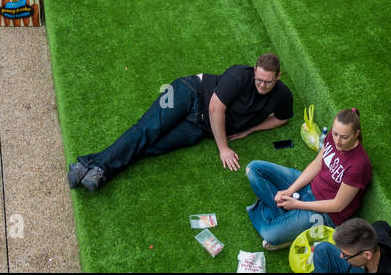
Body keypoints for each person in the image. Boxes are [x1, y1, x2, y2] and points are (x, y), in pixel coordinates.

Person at [66, 55, 293, 192]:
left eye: (268, 82)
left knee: (153, 145)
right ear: (254, 70)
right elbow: (216, 108)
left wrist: (250, 129)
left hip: (201, 128)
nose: (262, 85)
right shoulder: (239, 75)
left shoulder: (282, 95)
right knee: (147, 130)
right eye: (259, 79)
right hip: (189, 92)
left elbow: (282, 118)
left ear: (278, 77)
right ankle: (99, 170)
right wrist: (223, 148)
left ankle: (87, 164)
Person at [245, 108, 371, 250]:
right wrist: (289, 190)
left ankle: (276, 212)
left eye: (344, 137)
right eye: (335, 134)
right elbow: (316, 164)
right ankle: (283, 215)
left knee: (270, 235)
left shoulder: (358, 165)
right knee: (253, 169)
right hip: (310, 186)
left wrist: (297, 205)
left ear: (356, 134)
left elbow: (338, 205)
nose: (338, 141)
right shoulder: (332, 137)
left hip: (325, 212)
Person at [312, 218, 391, 274]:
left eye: (345, 255)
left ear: (367, 254)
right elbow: (383, 224)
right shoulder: (376, 234)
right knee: (322, 250)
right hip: (367, 264)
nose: (341, 256)